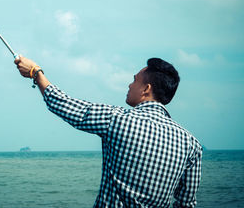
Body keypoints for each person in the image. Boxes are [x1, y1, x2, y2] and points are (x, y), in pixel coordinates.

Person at [15, 56, 202, 208]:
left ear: (146, 89)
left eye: (134, 80)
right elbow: (186, 204)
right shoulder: (191, 144)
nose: (129, 85)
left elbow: (63, 104)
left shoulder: (117, 119)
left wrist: (36, 72)